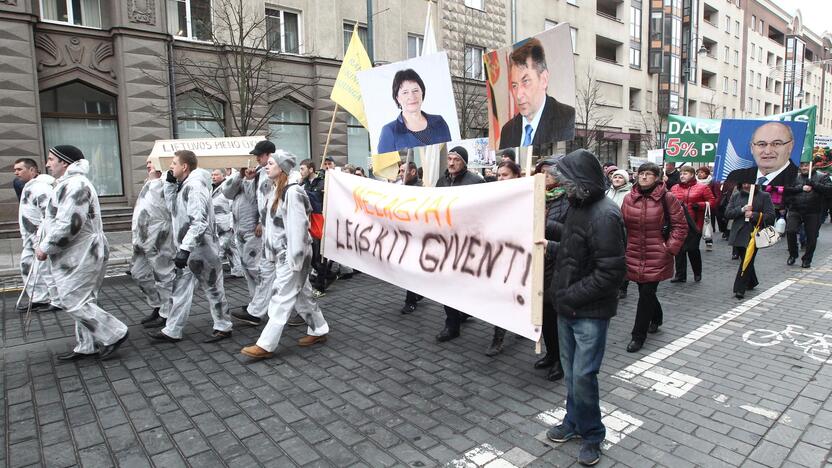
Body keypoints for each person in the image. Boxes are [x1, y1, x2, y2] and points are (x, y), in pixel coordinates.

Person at [543, 149, 626, 467]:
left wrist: (571, 296)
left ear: (581, 181)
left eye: (565, 178)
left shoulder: (606, 214)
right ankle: (573, 422)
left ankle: (593, 434)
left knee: (583, 376)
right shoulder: (580, 206)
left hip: (588, 312)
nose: (560, 184)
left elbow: (610, 272)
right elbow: (577, 246)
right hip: (568, 306)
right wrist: (552, 245)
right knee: (573, 374)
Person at [36, 145, 129, 360]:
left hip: (83, 252)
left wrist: (46, 247)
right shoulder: (68, 184)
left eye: (51, 159)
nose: (48, 164)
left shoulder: (76, 185)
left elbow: (70, 224)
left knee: (72, 300)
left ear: (65, 162)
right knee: (83, 299)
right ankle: (87, 345)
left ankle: (115, 333)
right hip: (76, 253)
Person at [240, 151, 329, 359]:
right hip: (282, 255)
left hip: (292, 255)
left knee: (282, 297)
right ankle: (319, 329)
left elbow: (299, 229)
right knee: (302, 295)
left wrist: (295, 259)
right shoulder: (275, 191)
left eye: (271, 163)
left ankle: (266, 344)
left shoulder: (293, 192)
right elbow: (273, 227)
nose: (266, 166)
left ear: (282, 168)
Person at [148, 150, 233, 343]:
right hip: (188, 251)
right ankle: (173, 329)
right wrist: (170, 184)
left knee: (213, 288)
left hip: (203, 250)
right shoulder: (183, 186)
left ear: (184, 166)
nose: (170, 167)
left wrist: (185, 248)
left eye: (173, 163)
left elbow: (199, 222)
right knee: (180, 289)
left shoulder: (194, 187)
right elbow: (173, 210)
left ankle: (224, 326)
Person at [230, 140, 303, 327]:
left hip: (282, 238)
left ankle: (304, 314)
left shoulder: (288, 178)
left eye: (261, 156)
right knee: (268, 274)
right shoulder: (262, 173)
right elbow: (255, 199)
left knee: (293, 280)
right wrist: (247, 179)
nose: (257, 159)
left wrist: (261, 222)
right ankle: (256, 312)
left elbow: (288, 209)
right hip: (269, 233)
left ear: (270, 155)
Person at [620, 163, 688, 353]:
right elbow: (621, 224)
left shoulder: (668, 198)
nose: (643, 177)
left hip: (657, 253)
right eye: (641, 173)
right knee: (645, 291)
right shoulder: (628, 198)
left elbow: (680, 227)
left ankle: (638, 336)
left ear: (657, 178)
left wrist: (669, 248)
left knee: (646, 293)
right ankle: (656, 318)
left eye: (649, 174)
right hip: (634, 252)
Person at [435, 147, 484, 342]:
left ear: (464, 162)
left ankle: (463, 311)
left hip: (467, 242)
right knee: (448, 283)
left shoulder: (476, 182)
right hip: (446, 242)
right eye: (449, 158)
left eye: (456, 159)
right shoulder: (442, 181)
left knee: (466, 283)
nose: (452, 162)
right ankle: (451, 324)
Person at [498, 38, 576, 150]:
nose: (519, 95)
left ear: (544, 79)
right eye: (514, 85)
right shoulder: (508, 130)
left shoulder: (566, 118)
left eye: (526, 82)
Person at [131, 158, 176, 329]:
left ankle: (166, 313)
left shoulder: (168, 181)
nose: (148, 165)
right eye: (147, 162)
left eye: (151, 162)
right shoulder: (149, 182)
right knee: (139, 274)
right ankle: (157, 305)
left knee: (163, 277)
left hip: (159, 238)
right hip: (142, 238)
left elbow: (171, 206)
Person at [534, 162, 568, 381]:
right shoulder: (535, 197)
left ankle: (561, 360)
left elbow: (572, 233)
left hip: (558, 264)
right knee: (543, 315)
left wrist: (545, 225)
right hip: (538, 263)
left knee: (557, 316)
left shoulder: (569, 201)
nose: (544, 176)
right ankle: (551, 353)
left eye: (549, 172)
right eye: (541, 172)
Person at [484, 160, 522, 357]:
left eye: (505, 175)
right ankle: (498, 337)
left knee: (518, 294)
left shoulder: (526, 197)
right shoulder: (493, 196)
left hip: (520, 256)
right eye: (499, 175)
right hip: (499, 255)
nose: (500, 178)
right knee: (500, 296)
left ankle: (524, 325)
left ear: (516, 175)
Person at [15, 158, 59, 312]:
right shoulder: (29, 187)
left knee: (46, 269)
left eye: (20, 169)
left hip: (39, 236)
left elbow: (49, 214)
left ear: (32, 170)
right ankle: (39, 298)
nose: (16, 172)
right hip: (29, 238)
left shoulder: (41, 188)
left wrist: (43, 237)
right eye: (15, 169)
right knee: (27, 266)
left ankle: (57, 300)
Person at [377, 68, 452, 153]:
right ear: (397, 98)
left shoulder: (439, 122)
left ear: (422, 93)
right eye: (405, 92)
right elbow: (385, 166)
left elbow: (448, 155)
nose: (412, 96)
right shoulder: (389, 131)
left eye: (415, 91)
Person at [726, 184, 775, 298]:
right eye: (744, 182)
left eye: (749, 182)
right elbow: (728, 213)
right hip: (738, 233)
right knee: (745, 258)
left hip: (754, 233)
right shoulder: (736, 196)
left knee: (747, 259)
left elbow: (771, 215)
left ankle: (740, 288)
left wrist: (754, 215)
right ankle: (752, 281)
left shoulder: (764, 196)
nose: (746, 185)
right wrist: (742, 209)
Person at [670, 166, 715, 282]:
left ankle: (697, 273)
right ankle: (680, 275)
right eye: (681, 174)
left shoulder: (702, 188)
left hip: (695, 224)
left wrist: (700, 205)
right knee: (679, 250)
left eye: (685, 173)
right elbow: (668, 202)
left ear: (692, 175)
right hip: (678, 224)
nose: (682, 176)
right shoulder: (674, 188)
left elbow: (712, 202)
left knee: (692, 249)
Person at [784, 162, 832, 268]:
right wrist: (801, 188)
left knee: (811, 237)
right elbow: (786, 190)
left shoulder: (823, 176)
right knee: (790, 231)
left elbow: (829, 190)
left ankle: (807, 259)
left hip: (813, 211)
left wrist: (814, 184)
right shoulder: (794, 177)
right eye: (801, 165)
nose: (803, 167)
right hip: (795, 210)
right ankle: (793, 254)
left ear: (813, 165)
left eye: (806, 165)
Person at [727, 122, 799, 186]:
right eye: (761, 144)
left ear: (790, 146)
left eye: (776, 144)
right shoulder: (736, 177)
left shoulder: (799, 180)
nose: (767, 151)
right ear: (752, 148)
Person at [398, 161, 426, 315]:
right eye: (400, 171)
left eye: (403, 171)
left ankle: (411, 301)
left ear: (413, 172)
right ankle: (417, 292)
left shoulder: (419, 191)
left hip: (416, 237)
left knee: (411, 268)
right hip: (404, 235)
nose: (400, 174)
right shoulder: (402, 188)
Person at [300, 159, 327, 297]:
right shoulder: (303, 184)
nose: (301, 172)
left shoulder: (322, 183)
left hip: (319, 220)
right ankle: (328, 275)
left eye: (303, 169)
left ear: (311, 170)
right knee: (311, 257)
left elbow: (318, 200)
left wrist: (302, 193)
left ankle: (320, 286)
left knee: (319, 256)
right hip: (308, 220)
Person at [211, 169, 243, 277]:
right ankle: (238, 270)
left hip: (226, 223)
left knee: (220, 248)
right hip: (218, 223)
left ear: (223, 175)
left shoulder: (229, 187)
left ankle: (214, 273)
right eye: (212, 175)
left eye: (216, 174)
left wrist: (231, 225)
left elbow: (233, 206)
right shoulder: (214, 188)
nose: (213, 177)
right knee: (231, 248)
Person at [605, 168, 632, 299]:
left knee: (622, 259)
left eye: (620, 177)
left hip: (623, 230)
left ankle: (622, 287)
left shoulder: (630, 194)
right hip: (606, 229)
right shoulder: (606, 192)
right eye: (615, 177)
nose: (616, 179)